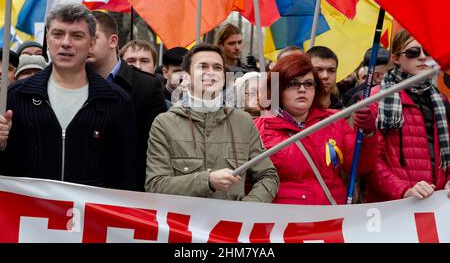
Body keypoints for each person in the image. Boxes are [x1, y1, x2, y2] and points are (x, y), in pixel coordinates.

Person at [0, 3, 139, 191]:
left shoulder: (116, 100)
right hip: (32, 217)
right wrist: (2, 144)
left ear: (91, 44)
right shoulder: (17, 96)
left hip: (92, 217)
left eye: (77, 35)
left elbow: (128, 175)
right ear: (47, 40)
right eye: (58, 34)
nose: (66, 43)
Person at [146, 43, 279, 201]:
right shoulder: (164, 124)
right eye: (202, 66)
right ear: (187, 77)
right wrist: (207, 181)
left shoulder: (243, 122)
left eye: (217, 67)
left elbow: (269, 177)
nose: (211, 73)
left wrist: (248, 207)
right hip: (182, 223)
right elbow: (155, 185)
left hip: (232, 223)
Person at [254, 52, 378, 205]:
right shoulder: (259, 129)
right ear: (278, 88)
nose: (302, 89)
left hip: (331, 218)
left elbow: (360, 167)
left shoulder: (334, 121)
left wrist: (368, 134)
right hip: (285, 221)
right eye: (293, 83)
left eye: (308, 84)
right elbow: (251, 182)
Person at [366, 30, 450, 201]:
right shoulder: (376, 98)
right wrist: (404, 190)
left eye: (427, 52)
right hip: (396, 208)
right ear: (396, 58)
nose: (422, 57)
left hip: (438, 204)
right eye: (413, 52)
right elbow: (371, 162)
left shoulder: (442, 100)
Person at [87, 11, 167, 190]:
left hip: (127, 196)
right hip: (79, 194)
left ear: (113, 41)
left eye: (93, 38)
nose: (86, 44)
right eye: (82, 37)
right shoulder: (72, 81)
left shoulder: (147, 87)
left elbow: (152, 152)